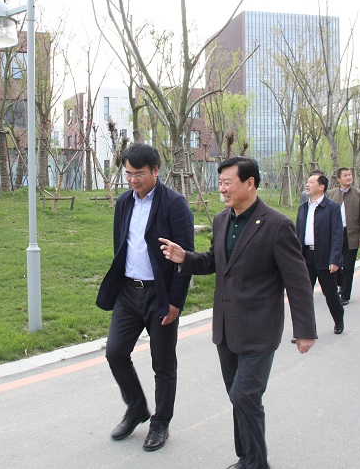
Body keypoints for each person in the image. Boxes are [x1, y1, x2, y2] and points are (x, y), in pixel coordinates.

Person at [158, 156, 317, 469]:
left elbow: (298, 282)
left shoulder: (277, 225)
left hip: (260, 329)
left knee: (244, 395)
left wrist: (305, 330)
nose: (222, 188)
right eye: (220, 183)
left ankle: (256, 463)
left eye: (228, 182)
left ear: (250, 183)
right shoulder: (222, 220)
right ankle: (246, 458)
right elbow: (215, 261)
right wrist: (184, 257)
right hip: (226, 328)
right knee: (238, 396)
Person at [96, 143, 194, 452]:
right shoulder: (124, 202)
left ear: (155, 170)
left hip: (159, 294)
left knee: (162, 363)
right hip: (128, 292)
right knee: (115, 352)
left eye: (138, 174)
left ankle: (160, 422)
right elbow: (121, 245)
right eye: (128, 174)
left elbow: (186, 257)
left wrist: (176, 302)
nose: (132, 180)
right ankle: (137, 407)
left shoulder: (174, 204)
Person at [296, 172, 345, 334]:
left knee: (330, 294)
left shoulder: (331, 207)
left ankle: (338, 320)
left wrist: (335, 260)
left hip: (324, 256)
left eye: (311, 182)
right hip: (306, 257)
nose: (307, 184)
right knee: (304, 296)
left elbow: (337, 235)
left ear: (322, 187)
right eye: (307, 181)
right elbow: (298, 233)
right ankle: (305, 330)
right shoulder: (303, 208)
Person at [327, 168, 360, 305]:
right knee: (335, 262)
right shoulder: (331, 194)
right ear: (338, 179)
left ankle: (345, 295)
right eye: (345, 175)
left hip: (351, 234)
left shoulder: (359, 194)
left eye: (350, 175)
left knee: (349, 266)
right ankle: (339, 285)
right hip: (335, 234)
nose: (349, 177)